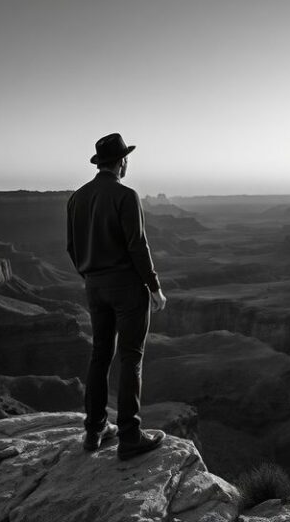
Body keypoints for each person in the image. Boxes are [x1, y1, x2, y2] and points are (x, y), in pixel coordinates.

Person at [66, 132, 167, 460]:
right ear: (122, 161)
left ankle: (95, 429)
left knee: (100, 354)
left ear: (100, 162)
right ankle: (129, 436)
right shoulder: (126, 195)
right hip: (126, 287)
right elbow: (138, 244)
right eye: (126, 159)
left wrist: (90, 276)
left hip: (94, 285)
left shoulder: (77, 198)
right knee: (131, 357)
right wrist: (154, 286)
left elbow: (71, 247)